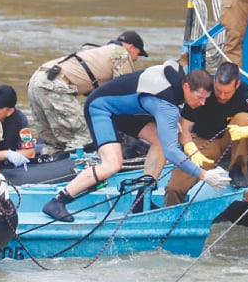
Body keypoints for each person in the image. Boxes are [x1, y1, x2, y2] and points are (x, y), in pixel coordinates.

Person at [41, 62, 231, 222]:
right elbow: (172, 151)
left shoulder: (180, 75)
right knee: (112, 164)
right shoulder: (167, 107)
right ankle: (58, 201)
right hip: (101, 108)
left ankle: (141, 197)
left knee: (159, 140)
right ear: (186, 87)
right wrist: (204, 175)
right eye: (199, 98)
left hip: (126, 110)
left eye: (206, 99)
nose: (203, 104)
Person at [164, 62, 248, 207]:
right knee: (174, 188)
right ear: (214, 81)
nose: (222, 96)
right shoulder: (203, 88)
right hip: (204, 143)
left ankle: (238, 170)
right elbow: (184, 127)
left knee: (245, 119)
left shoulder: (246, 93)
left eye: (227, 93)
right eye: (218, 91)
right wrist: (190, 147)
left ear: (237, 85)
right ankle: (174, 220)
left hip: (232, 141)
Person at [27, 30, 146, 153]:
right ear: (131, 47)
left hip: (37, 80)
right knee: (84, 136)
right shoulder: (121, 53)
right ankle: (77, 167)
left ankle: (49, 164)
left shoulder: (98, 53)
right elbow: (124, 92)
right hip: (54, 85)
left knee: (54, 142)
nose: (136, 59)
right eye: (138, 54)